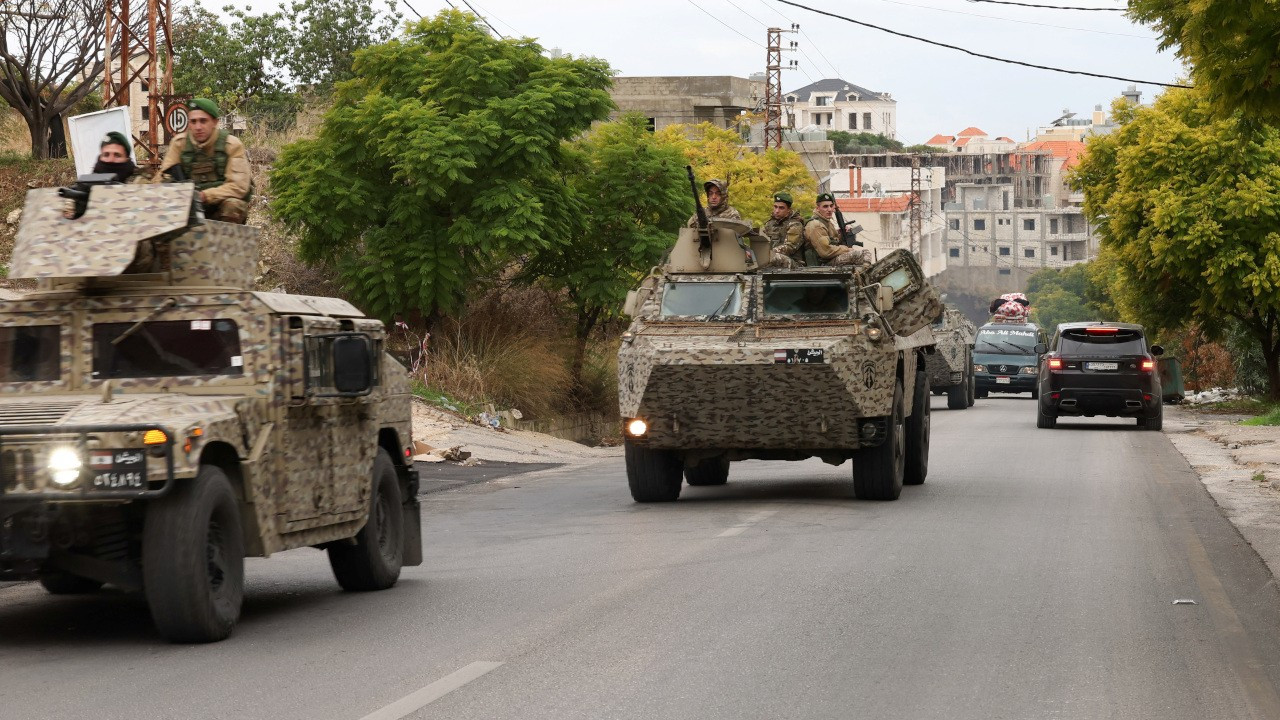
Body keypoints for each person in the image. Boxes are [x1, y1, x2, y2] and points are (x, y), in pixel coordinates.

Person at [154, 97, 252, 224]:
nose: (198, 127)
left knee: (234, 206)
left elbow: (238, 187)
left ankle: (225, 243)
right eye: (193, 122)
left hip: (220, 205)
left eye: (203, 121)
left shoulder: (231, 145)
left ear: (215, 122)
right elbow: (161, 178)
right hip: (187, 207)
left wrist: (204, 196)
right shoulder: (179, 144)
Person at [803, 193, 870, 267]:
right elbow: (825, 251)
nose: (829, 209)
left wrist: (842, 235)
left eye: (831, 206)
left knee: (863, 253)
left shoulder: (826, 222)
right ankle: (866, 275)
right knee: (862, 255)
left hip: (828, 260)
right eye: (825, 206)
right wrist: (847, 249)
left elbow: (834, 242)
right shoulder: (816, 225)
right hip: (821, 264)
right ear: (818, 208)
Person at [761, 191, 806, 268]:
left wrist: (769, 253)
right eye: (775, 207)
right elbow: (762, 242)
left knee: (774, 257)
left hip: (794, 264)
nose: (777, 211)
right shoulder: (769, 224)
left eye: (781, 208)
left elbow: (790, 247)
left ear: (788, 210)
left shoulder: (795, 225)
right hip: (772, 258)